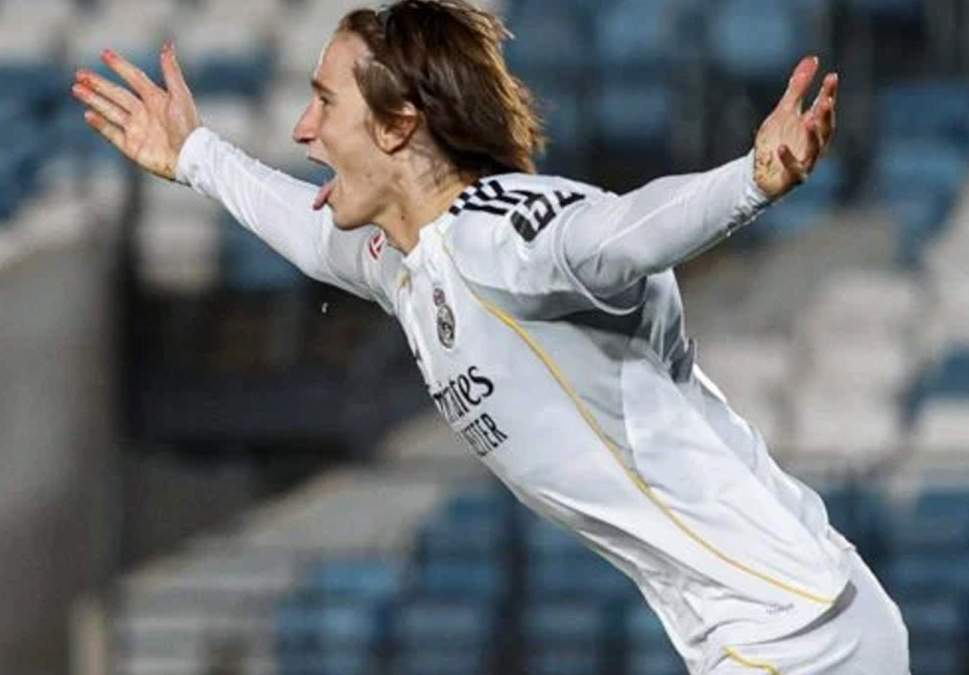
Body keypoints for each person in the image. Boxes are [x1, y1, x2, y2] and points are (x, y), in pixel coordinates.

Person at [71, 1, 909, 672]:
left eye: (325, 102)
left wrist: (749, 182)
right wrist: (197, 155)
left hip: (795, 636)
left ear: (397, 126)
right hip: (766, 628)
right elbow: (306, 229)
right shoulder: (406, 260)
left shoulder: (500, 236)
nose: (302, 129)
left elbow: (619, 234)